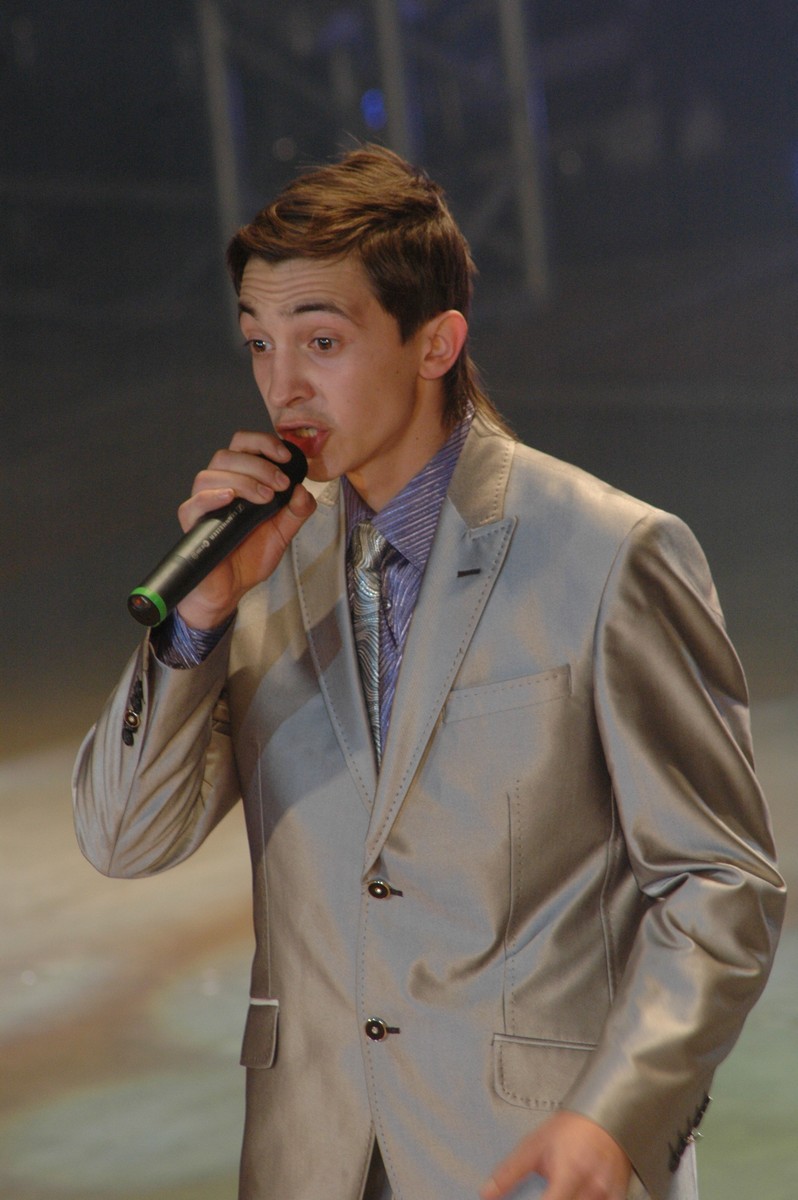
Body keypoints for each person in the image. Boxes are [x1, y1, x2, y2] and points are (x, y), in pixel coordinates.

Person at [73, 144, 785, 1200]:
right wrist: (202, 618)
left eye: (321, 341)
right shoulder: (259, 564)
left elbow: (722, 884)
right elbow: (124, 839)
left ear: (437, 343)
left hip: (531, 1159)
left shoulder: (611, 553)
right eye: (260, 343)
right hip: (312, 1158)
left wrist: (618, 1113)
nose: (282, 385)